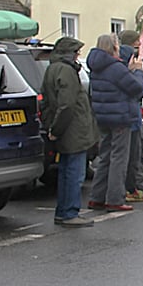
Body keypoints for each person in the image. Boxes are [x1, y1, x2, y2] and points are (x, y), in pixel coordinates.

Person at [40, 37, 99, 227]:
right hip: (73, 130)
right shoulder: (65, 71)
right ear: (69, 53)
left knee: (66, 172)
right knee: (74, 174)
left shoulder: (52, 68)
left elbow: (47, 102)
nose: (78, 56)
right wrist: (56, 129)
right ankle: (70, 213)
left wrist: (52, 127)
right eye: (76, 52)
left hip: (66, 129)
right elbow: (66, 105)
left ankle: (63, 211)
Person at [87, 34, 143, 212]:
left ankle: (97, 197)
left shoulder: (96, 67)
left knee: (105, 156)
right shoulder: (116, 68)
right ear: (113, 47)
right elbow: (137, 89)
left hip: (103, 116)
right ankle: (114, 198)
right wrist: (137, 71)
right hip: (120, 116)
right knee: (119, 157)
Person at [118, 30, 143, 203]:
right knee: (132, 156)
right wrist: (138, 71)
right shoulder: (127, 69)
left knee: (134, 154)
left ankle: (134, 187)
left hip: (131, 116)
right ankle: (134, 188)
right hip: (130, 118)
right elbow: (138, 90)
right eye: (137, 41)